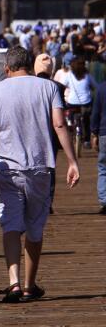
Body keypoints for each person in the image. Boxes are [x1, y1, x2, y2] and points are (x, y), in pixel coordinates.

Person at [0, 47, 80, 303]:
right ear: (29, 64)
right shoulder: (48, 88)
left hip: (6, 167)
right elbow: (59, 124)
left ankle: (13, 282)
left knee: (11, 226)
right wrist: (72, 161)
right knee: (35, 227)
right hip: (40, 166)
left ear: (7, 68)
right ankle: (29, 285)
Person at [54, 56, 95, 157]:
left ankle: (71, 129)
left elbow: (60, 85)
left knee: (69, 119)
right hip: (86, 102)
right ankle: (86, 140)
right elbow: (96, 86)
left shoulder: (69, 75)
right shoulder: (87, 76)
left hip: (72, 102)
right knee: (87, 120)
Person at [92, 76, 106, 215]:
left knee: (103, 168)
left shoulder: (101, 88)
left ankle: (104, 201)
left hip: (104, 132)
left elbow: (95, 112)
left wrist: (93, 133)